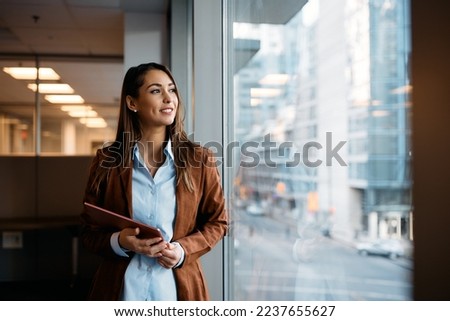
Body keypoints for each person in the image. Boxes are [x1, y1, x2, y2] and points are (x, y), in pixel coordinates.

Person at [80, 62, 228, 300]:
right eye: (156, 91)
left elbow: (217, 222)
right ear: (132, 103)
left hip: (178, 292)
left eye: (172, 90)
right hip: (122, 292)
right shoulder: (106, 162)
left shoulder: (200, 160)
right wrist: (121, 241)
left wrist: (181, 251)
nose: (169, 98)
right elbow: (88, 232)